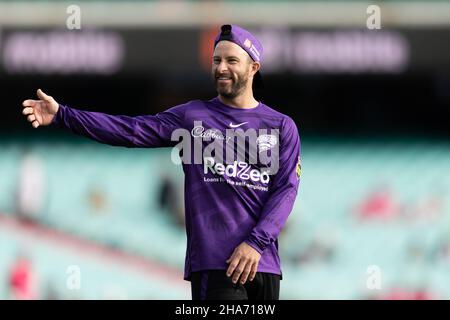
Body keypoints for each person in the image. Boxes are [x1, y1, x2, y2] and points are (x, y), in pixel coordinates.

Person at [21, 24, 302, 300]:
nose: (221, 68)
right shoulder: (193, 117)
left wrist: (255, 242)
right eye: (216, 60)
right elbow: (129, 131)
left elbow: (286, 190)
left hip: (263, 265)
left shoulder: (281, 126)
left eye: (231, 60)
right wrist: (63, 115)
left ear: (254, 67)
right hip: (216, 264)